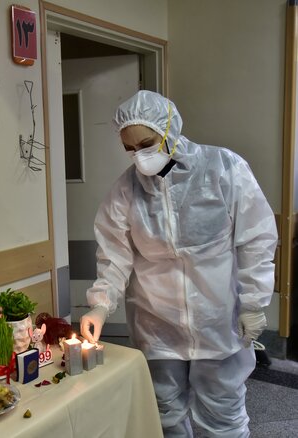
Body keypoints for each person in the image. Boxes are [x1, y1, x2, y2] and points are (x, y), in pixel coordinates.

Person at [80, 90, 277, 437]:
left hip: (218, 318)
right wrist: (100, 305)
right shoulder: (126, 190)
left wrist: (254, 304)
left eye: (147, 143)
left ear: (170, 127)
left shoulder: (224, 169)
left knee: (223, 415)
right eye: (130, 148)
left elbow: (256, 239)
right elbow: (114, 254)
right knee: (165, 413)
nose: (140, 155)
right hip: (157, 323)